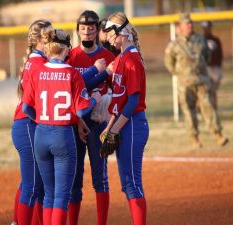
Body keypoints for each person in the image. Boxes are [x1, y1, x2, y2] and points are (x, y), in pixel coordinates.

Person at [22, 28, 101, 225]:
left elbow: (26, 107)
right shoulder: (72, 73)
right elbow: (82, 110)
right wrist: (94, 99)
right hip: (62, 135)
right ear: (66, 48)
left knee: (48, 193)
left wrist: (41, 119)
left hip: (41, 133)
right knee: (61, 195)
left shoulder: (39, 71)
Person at [67, 10, 115, 225]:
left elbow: (117, 90)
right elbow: (68, 89)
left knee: (100, 179)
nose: (86, 33)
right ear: (78, 31)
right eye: (83, 29)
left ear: (97, 30)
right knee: (74, 180)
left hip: (98, 124)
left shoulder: (108, 56)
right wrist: (99, 74)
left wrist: (107, 105)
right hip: (76, 124)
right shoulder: (70, 55)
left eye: (91, 29)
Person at [101, 11, 149, 225]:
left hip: (133, 124)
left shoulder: (131, 59)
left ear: (122, 32)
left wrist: (114, 130)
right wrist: (108, 127)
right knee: (127, 183)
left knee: (132, 183)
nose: (108, 36)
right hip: (123, 124)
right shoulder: (120, 58)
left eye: (111, 31)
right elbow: (118, 100)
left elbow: (132, 101)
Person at [164, 13, 228, 148]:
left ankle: (218, 135)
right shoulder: (175, 44)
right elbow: (169, 63)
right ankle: (195, 139)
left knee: (209, 107)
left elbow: (207, 56)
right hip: (185, 84)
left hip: (202, 81)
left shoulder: (200, 39)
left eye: (191, 23)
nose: (190, 25)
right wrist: (179, 73)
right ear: (180, 27)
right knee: (189, 111)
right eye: (186, 24)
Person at [11, 19, 53, 225]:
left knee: (36, 184)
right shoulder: (38, 64)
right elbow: (28, 106)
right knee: (32, 184)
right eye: (49, 36)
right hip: (27, 124)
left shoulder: (38, 61)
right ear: (38, 40)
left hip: (29, 125)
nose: (53, 39)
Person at [201, 21, 223, 109]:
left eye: (208, 27)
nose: (207, 29)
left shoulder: (216, 40)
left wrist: (218, 67)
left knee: (213, 91)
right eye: (205, 28)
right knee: (203, 91)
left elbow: (220, 55)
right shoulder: (200, 40)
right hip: (204, 68)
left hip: (214, 68)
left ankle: (214, 108)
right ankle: (201, 109)